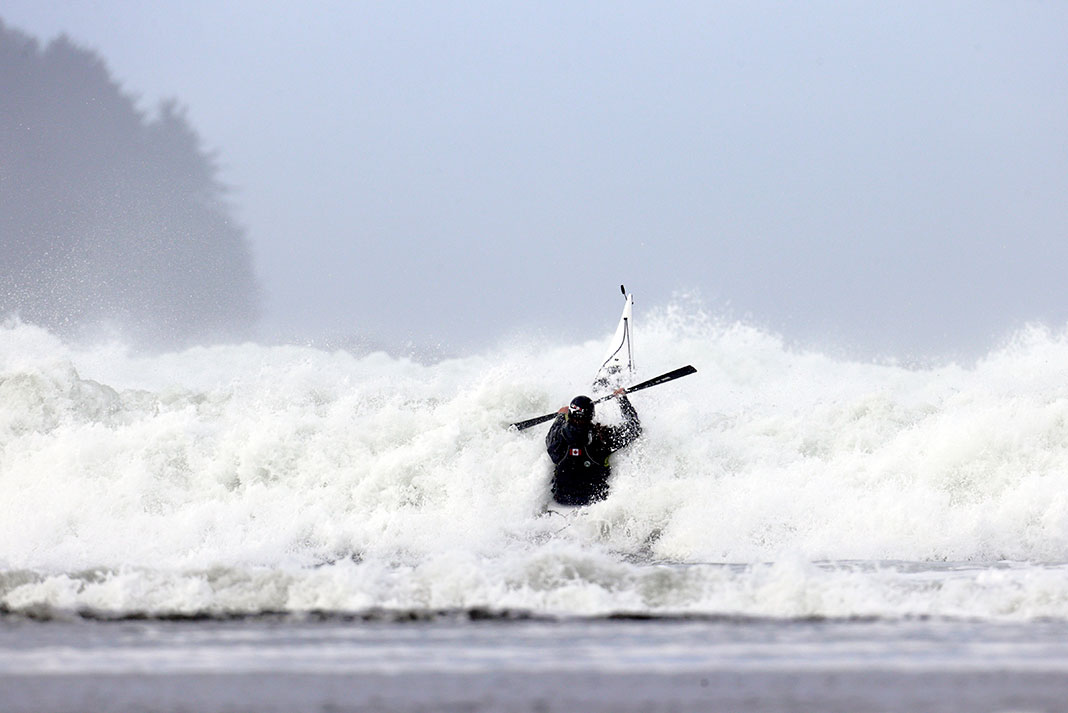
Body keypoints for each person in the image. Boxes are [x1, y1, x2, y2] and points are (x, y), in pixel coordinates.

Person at [544, 389, 642, 506]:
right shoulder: (602, 436)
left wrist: (560, 416)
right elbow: (634, 428)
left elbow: (549, 438)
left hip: (561, 498)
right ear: (591, 415)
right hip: (594, 502)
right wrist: (622, 400)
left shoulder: (558, 436)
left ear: (570, 415)